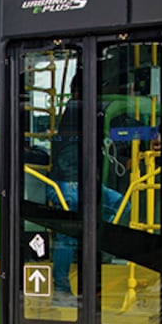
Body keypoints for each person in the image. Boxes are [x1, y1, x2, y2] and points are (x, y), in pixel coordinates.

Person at [47, 71, 125, 306]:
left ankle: (100, 251)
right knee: (67, 234)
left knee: (122, 204)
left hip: (85, 182)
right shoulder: (79, 108)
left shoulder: (79, 110)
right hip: (70, 182)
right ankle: (60, 290)